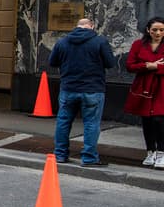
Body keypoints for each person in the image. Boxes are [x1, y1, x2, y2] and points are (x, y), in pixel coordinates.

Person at [48, 17, 117, 166]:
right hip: (93, 89)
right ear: (92, 26)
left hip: (68, 88)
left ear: (77, 26)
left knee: (63, 122)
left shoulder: (62, 42)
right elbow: (110, 63)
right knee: (91, 124)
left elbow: (52, 62)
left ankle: (60, 154)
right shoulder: (100, 41)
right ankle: (89, 158)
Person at [123, 16, 164, 169]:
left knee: (159, 120)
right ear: (148, 30)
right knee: (147, 120)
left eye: (161, 30)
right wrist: (148, 65)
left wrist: (156, 67)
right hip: (144, 87)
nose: (158, 33)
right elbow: (130, 65)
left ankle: (161, 153)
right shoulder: (138, 44)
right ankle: (150, 151)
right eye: (155, 30)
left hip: (161, 88)